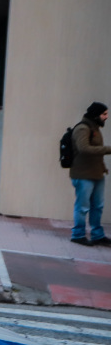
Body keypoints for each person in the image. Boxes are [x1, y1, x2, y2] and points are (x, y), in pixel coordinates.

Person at [70, 101, 110, 246]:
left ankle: (97, 235)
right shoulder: (82, 128)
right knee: (82, 207)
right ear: (96, 115)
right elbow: (84, 148)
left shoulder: (95, 128)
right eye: (104, 114)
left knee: (97, 206)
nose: (106, 117)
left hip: (97, 174)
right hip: (83, 175)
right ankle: (78, 234)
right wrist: (108, 149)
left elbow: (96, 152)